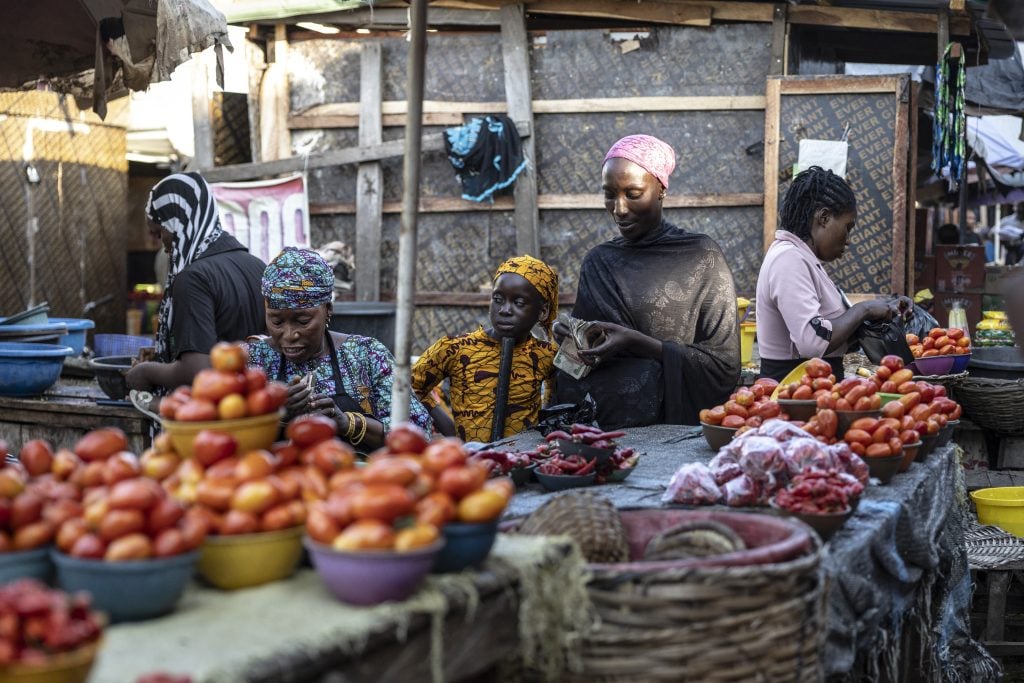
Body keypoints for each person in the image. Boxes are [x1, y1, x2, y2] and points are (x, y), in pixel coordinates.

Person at [552, 134, 741, 428]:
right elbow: (580, 363)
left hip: (673, 429)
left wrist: (639, 343)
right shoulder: (599, 262)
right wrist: (571, 337)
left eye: (633, 193)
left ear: (661, 189)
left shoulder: (701, 257)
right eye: (609, 194)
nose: (619, 208)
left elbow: (723, 365)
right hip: (607, 431)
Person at [245, 248, 432, 450]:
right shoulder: (253, 361)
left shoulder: (367, 355)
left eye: (302, 321)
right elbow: (226, 437)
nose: (290, 334)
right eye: (277, 321)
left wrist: (348, 423)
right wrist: (277, 416)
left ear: (328, 310)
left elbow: (418, 431)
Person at [756, 166, 912, 381]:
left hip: (812, 388)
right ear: (824, 217)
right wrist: (863, 309)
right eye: (848, 227)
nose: (848, 239)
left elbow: (833, 333)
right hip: (793, 392)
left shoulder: (803, 259)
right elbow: (813, 342)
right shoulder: (788, 259)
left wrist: (886, 308)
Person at [127, 172, 266, 392]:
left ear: (177, 224)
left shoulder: (193, 278)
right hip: (254, 406)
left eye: (159, 232)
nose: (163, 246)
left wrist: (145, 372)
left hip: (215, 411)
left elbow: (196, 371)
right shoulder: (257, 265)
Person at [412, 255, 559, 442]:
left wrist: (536, 435)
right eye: (498, 299)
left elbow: (554, 400)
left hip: (521, 460)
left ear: (542, 311)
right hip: (468, 461)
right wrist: (451, 430)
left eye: (519, 303)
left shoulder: (546, 355)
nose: (505, 310)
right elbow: (411, 387)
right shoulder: (455, 348)